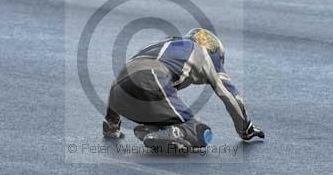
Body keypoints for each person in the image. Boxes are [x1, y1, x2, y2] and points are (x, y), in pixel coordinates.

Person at [102, 28, 264, 151]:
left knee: (167, 111)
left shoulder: (164, 44)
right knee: (200, 132)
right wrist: (246, 129)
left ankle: (152, 129)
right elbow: (230, 95)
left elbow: (121, 80)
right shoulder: (205, 55)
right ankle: (172, 133)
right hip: (151, 78)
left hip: (119, 90)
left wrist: (112, 124)